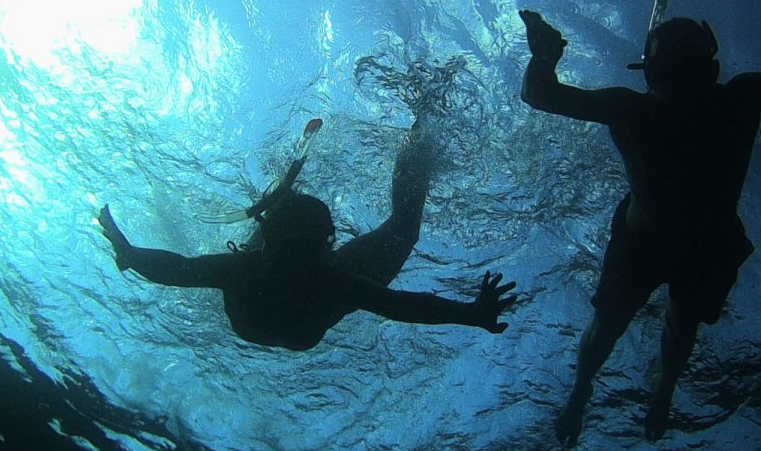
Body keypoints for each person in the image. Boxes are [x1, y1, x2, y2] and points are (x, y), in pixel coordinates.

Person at [520, 0, 761, 444]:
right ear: (709, 64)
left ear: (648, 69)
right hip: (700, 244)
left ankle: (600, 391)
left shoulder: (633, 107)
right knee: (672, 326)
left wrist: (544, 57)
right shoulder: (735, 99)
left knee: (623, 325)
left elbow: (541, 95)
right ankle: (627, 392)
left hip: (657, 242)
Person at [97, 121, 517, 351]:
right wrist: (469, 314)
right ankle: (418, 139)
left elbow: (178, 269)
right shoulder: (328, 280)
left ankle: (416, 139)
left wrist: (130, 253)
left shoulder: (247, 269)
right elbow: (401, 305)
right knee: (403, 229)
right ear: (328, 241)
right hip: (304, 316)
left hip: (272, 311)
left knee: (401, 230)